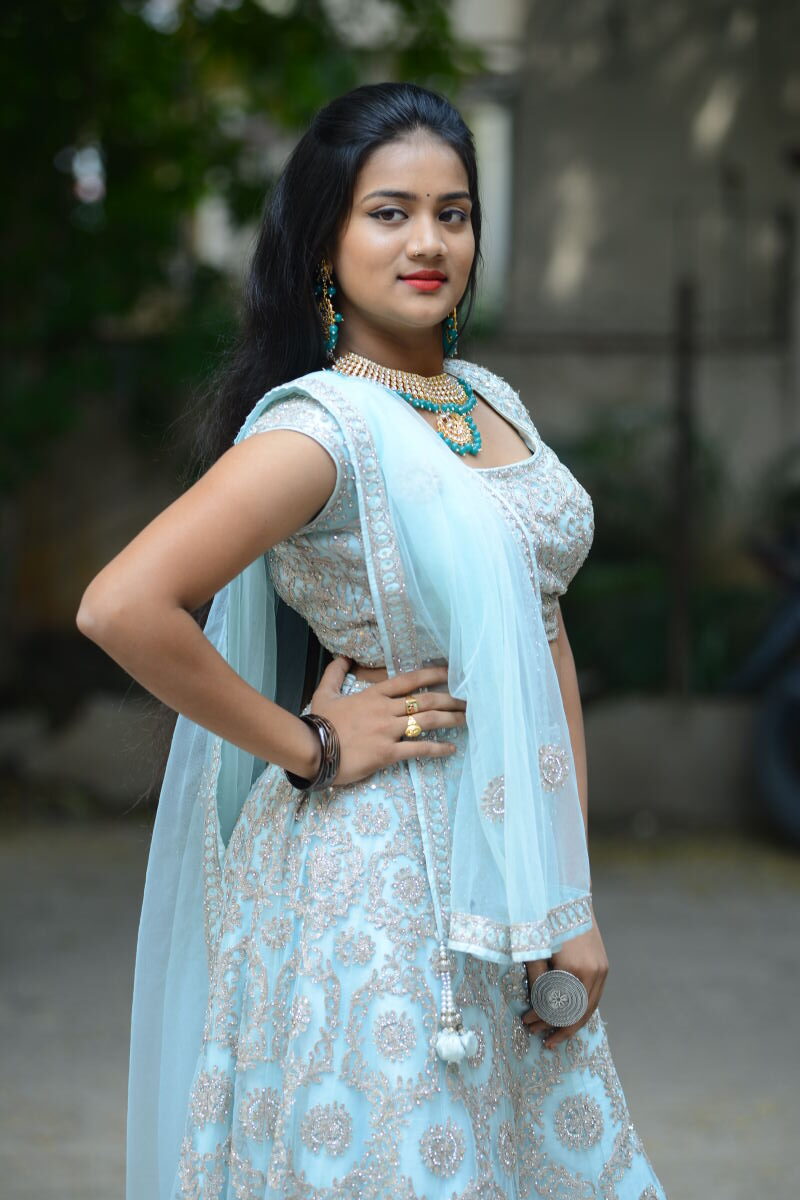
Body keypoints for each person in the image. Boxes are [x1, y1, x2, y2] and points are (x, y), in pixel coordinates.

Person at [77, 82, 668, 1200]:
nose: (428, 242)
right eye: (388, 213)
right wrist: (309, 744)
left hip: (500, 873)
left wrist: (566, 894)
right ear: (324, 244)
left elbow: (540, 639)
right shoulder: (323, 429)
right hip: (373, 884)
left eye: (454, 213)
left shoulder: (488, 400)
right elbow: (122, 605)